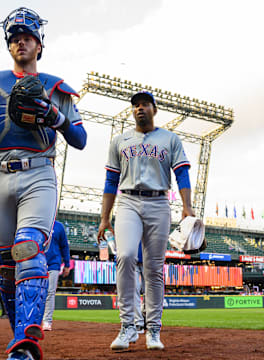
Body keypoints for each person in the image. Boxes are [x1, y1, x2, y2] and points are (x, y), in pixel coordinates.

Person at [0, 7, 87, 360]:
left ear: (39, 45)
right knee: (4, 262)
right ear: (9, 45)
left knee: (28, 248)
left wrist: (56, 116)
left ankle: (25, 345)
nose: (20, 42)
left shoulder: (55, 86)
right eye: (15, 38)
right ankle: (20, 335)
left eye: (27, 37)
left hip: (38, 172)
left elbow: (80, 139)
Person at [97, 90, 194, 351]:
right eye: (135, 106)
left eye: (144, 105)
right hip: (127, 201)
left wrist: (187, 206)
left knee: (153, 268)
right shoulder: (120, 140)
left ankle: (153, 329)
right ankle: (128, 325)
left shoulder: (170, 139)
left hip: (159, 202)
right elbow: (110, 181)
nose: (139, 109)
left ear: (154, 109)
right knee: (126, 256)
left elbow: (182, 173)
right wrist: (104, 218)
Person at [42, 220, 70, 331]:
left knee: (50, 292)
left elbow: (64, 246)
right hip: (37, 262)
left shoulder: (59, 226)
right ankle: (33, 320)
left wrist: (67, 264)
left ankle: (47, 321)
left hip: (53, 263)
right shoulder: (37, 222)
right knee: (36, 292)